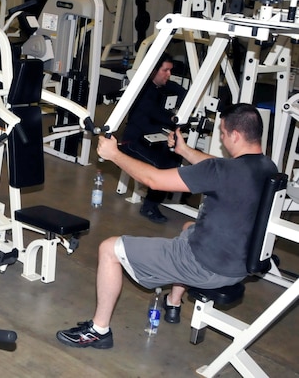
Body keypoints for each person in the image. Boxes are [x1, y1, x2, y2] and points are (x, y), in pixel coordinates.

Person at [56, 103, 276, 349]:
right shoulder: (267, 167)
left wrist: (114, 154)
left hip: (205, 266)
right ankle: (173, 302)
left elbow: (154, 180)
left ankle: (98, 331)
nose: (223, 141)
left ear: (236, 135)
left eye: (223, 134)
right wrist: (184, 150)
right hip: (239, 266)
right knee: (188, 227)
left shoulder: (221, 170)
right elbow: (215, 166)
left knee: (109, 249)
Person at [120, 53, 187, 223]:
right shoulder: (143, 91)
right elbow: (155, 114)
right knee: (165, 166)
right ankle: (149, 207)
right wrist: (173, 120)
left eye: (170, 70)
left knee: (176, 156)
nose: (168, 74)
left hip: (152, 139)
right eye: (165, 70)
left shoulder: (162, 86)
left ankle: (172, 190)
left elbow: (182, 92)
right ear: (153, 71)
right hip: (133, 142)